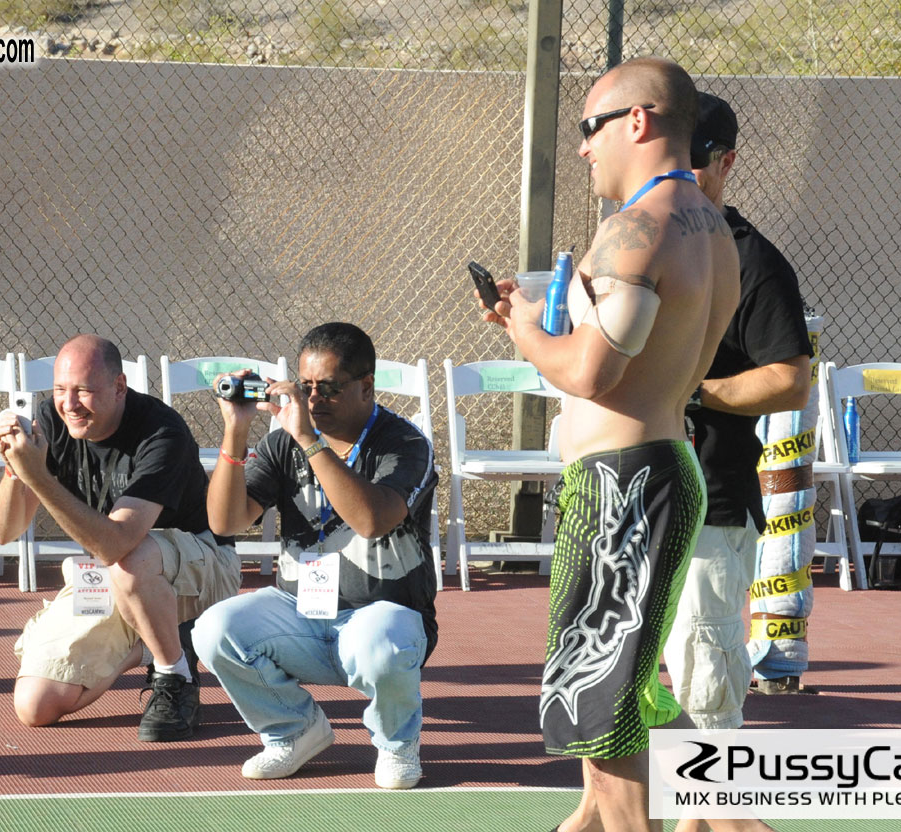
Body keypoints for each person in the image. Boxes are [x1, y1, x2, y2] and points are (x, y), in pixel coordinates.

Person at [483, 58, 766, 831]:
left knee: (598, 713)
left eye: (589, 128)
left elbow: (588, 372)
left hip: (624, 488)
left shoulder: (635, 229)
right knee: (607, 707)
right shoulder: (713, 233)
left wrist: (520, 330)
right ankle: (727, 810)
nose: (583, 149)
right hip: (658, 471)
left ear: (636, 122)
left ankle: (730, 813)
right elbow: (638, 355)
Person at [193, 322, 438, 790]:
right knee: (215, 629)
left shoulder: (404, 443)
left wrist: (311, 442)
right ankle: (295, 730)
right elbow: (225, 522)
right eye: (304, 387)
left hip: (384, 616)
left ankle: (396, 744)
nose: (311, 400)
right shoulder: (282, 440)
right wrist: (236, 430)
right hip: (302, 611)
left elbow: (371, 519)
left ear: (366, 386)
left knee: (381, 641)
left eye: (327, 388)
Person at [0, 334, 241, 741]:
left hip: (203, 569)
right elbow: (4, 532)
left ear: (119, 387)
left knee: (133, 557)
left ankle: (174, 676)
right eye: (60, 390)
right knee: (35, 706)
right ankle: (154, 640)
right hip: (113, 575)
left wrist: (38, 476)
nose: (69, 404)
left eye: (84, 391)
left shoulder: (162, 432)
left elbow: (116, 543)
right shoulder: (52, 423)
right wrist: (15, 470)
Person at [664, 93, 814, 737]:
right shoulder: (635, 244)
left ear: (726, 162)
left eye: (694, 160)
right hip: (636, 498)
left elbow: (790, 381)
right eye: (667, 158)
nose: (678, 173)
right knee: (620, 689)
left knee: (707, 695)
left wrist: (692, 391)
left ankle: (723, 810)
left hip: (711, 505)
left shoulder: (753, 262)